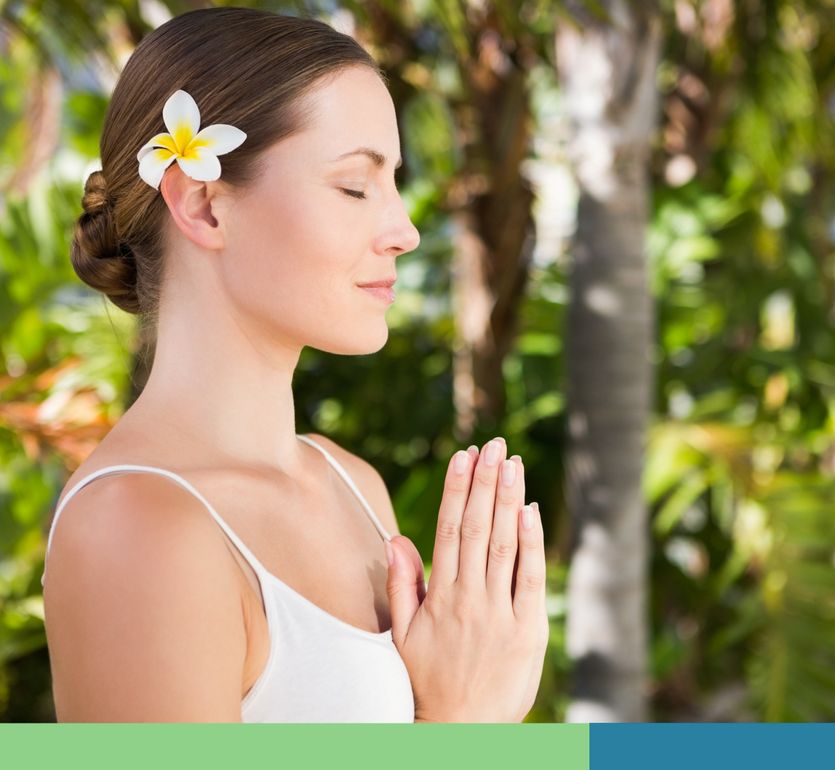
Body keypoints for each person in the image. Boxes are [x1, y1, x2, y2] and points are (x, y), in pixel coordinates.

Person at [42, 8, 548, 724]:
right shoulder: (133, 528)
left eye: (393, 182)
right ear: (205, 206)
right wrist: (465, 725)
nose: (402, 230)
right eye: (354, 186)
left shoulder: (351, 487)